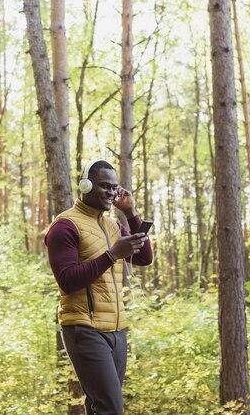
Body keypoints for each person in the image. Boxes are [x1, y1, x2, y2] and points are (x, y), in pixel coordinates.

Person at [45, 159, 153, 415]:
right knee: (110, 408)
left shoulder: (113, 225)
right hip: (84, 328)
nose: (111, 192)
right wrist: (112, 255)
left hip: (117, 330)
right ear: (86, 185)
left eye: (114, 187)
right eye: (104, 186)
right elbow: (67, 281)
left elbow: (144, 257)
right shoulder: (64, 226)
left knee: (98, 408)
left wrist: (130, 213)